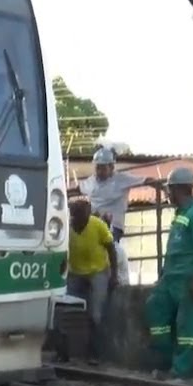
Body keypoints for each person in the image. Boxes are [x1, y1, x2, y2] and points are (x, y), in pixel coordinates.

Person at [144, 167, 193, 381]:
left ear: (181, 189)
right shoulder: (180, 216)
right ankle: (167, 362)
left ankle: (181, 371)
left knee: (187, 327)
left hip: (188, 281)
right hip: (170, 280)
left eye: (171, 189)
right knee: (155, 308)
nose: (168, 194)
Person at [67, 199, 119, 364]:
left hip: (98, 271)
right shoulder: (67, 228)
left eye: (83, 214)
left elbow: (111, 249)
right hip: (75, 272)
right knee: (68, 311)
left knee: (96, 314)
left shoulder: (98, 225)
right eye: (76, 215)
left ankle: (95, 353)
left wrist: (114, 275)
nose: (80, 218)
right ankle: (66, 352)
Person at [79, 147, 158, 242]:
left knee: (106, 246)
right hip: (93, 223)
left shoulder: (121, 179)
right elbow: (77, 188)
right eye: (97, 167)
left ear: (111, 167)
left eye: (103, 168)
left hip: (113, 225)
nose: (99, 171)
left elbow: (146, 180)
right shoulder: (91, 181)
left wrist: (164, 188)